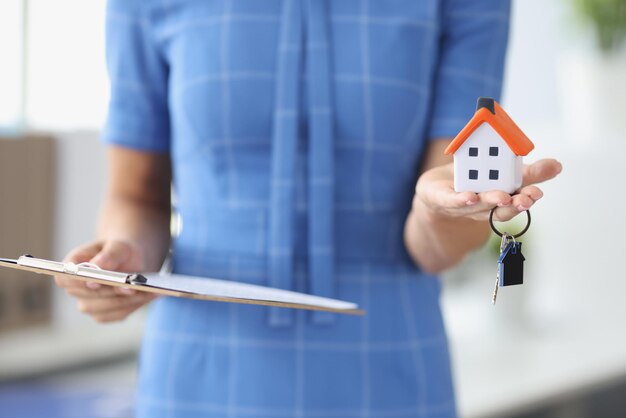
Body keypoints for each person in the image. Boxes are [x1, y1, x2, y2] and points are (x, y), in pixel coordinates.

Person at [55, 0, 562, 417]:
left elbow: (437, 237)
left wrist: (450, 208)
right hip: (197, 376)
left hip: (388, 374)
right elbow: (136, 194)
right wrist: (123, 258)